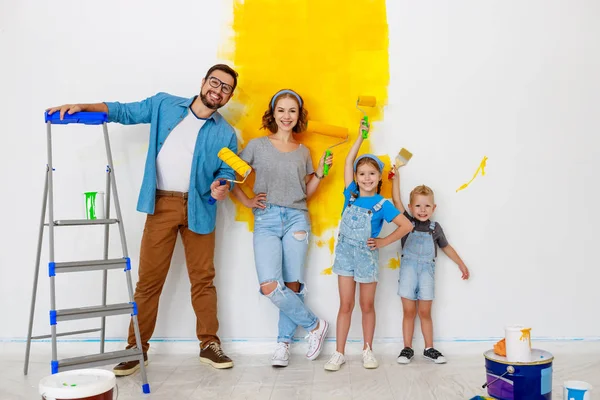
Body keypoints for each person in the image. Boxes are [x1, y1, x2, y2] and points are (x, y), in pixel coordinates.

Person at [47, 64, 240, 375]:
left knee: (203, 280)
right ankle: (136, 348)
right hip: (161, 204)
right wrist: (84, 106)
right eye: (214, 82)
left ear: (229, 96)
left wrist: (223, 186)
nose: (217, 90)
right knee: (148, 283)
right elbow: (124, 111)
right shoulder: (165, 104)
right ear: (203, 82)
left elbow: (228, 172)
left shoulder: (226, 133)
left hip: (201, 208)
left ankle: (209, 344)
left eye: (225, 88)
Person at [231, 89, 331, 367]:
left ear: (299, 115)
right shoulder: (256, 145)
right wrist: (248, 201)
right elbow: (231, 178)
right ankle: (315, 326)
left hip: (298, 217)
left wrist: (320, 174)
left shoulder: (304, 152)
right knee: (269, 285)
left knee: (292, 284)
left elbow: (305, 192)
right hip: (266, 218)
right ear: (273, 113)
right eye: (281, 110)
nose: (286, 116)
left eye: (292, 111)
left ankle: (283, 344)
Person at [323, 126, 413, 371]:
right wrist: (361, 139)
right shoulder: (350, 194)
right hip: (344, 257)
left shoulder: (383, 204)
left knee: (366, 306)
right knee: (345, 305)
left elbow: (406, 225)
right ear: (356, 176)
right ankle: (339, 353)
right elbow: (348, 161)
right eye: (361, 173)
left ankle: (367, 350)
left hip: (366, 258)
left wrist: (383, 242)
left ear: (379, 177)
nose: (366, 178)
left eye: (371, 173)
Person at [391, 165, 470, 364]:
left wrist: (461, 263)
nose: (423, 210)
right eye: (418, 206)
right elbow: (396, 200)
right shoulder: (406, 223)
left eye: (427, 206)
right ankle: (407, 348)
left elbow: (446, 247)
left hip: (427, 275)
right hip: (408, 274)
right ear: (410, 208)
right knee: (409, 312)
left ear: (434, 208)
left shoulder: (436, 228)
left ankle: (429, 348)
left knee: (425, 312)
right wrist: (396, 177)